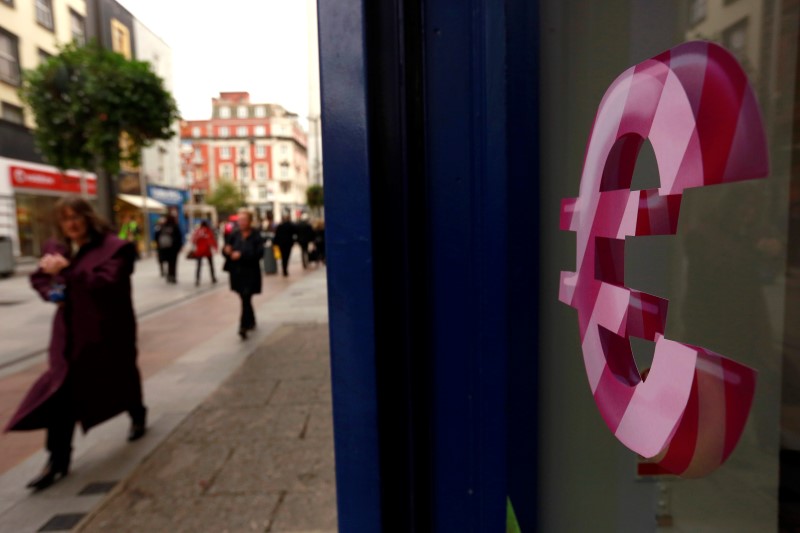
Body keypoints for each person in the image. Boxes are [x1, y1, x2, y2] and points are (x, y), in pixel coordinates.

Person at [5, 196, 147, 492]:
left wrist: (67, 272)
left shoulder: (116, 248)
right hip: (68, 333)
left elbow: (108, 283)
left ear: (88, 217)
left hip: (107, 331)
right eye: (65, 219)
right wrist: (52, 290)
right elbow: (40, 278)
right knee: (60, 390)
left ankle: (136, 412)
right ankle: (57, 459)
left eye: (76, 217)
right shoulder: (56, 249)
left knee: (121, 376)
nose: (71, 224)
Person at [223, 209, 264, 339]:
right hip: (237, 273)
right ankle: (251, 320)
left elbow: (259, 253)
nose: (241, 222)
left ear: (250, 221)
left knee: (246, 297)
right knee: (244, 298)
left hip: (251, 272)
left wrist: (241, 255)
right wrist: (226, 251)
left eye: (244, 220)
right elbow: (225, 250)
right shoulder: (234, 234)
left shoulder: (256, 235)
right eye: (239, 220)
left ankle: (243, 325)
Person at [155, 213, 183, 284]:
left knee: (167, 262)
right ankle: (173, 276)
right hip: (173, 249)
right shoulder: (175, 226)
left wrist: (159, 246)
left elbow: (156, 236)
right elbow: (179, 237)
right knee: (173, 263)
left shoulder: (163, 226)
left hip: (164, 248)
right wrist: (179, 247)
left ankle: (168, 275)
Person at [191, 220, 218, 286]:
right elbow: (211, 240)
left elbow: (193, 240)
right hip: (207, 250)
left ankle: (197, 279)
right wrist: (215, 248)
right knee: (211, 265)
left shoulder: (198, 231)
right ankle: (213, 278)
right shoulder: (208, 230)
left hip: (199, 251)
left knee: (198, 266)